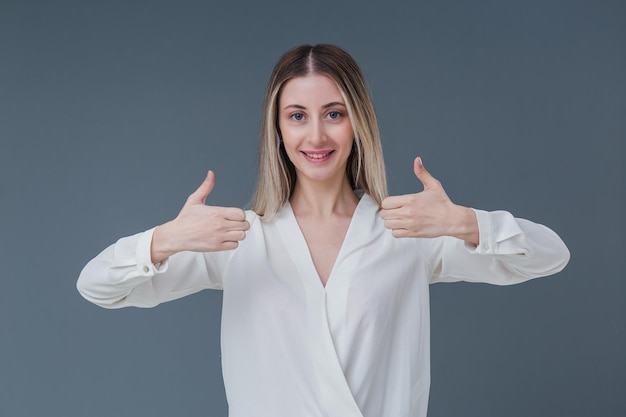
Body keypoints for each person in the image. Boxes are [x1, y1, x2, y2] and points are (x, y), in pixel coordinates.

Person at [77, 44, 570, 417]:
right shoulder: (239, 238)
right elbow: (97, 286)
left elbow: (551, 255)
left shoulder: (407, 231)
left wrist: (465, 223)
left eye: (334, 114)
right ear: (278, 130)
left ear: (358, 123)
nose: (316, 136)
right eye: (297, 117)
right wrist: (166, 240)